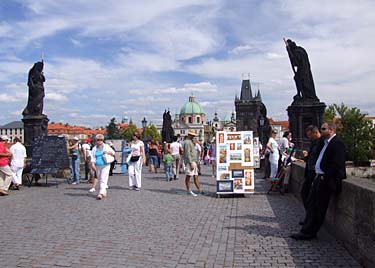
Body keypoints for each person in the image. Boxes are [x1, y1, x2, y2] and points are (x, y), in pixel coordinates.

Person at [291, 122, 346, 240]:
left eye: (323, 129)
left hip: (325, 180)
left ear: (331, 130)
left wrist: (325, 176)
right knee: (312, 204)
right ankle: (307, 229)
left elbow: (337, 164)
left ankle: (309, 232)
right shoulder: (325, 143)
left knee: (319, 207)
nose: (321, 131)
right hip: (319, 178)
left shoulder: (337, 143)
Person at [300, 125, 323, 224]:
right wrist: (306, 156)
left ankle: (310, 219)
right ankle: (308, 217)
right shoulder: (314, 143)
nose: (309, 137)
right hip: (309, 173)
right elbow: (312, 157)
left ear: (315, 132)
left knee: (310, 198)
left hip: (315, 174)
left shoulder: (321, 143)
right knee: (304, 194)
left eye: (310, 135)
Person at [90, 134, 115, 200]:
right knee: (100, 178)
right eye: (98, 140)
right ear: (96, 140)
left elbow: (113, 153)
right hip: (98, 165)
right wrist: (92, 164)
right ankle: (104, 192)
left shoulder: (106, 146)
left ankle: (100, 193)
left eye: (101, 140)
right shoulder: (94, 148)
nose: (99, 141)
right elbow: (92, 157)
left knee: (103, 178)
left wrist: (108, 152)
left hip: (105, 164)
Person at [183, 130, 204, 196]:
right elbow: (187, 153)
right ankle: (188, 190)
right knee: (188, 176)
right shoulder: (187, 142)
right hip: (191, 161)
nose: (194, 136)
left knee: (196, 176)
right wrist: (190, 162)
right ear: (189, 135)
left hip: (194, 161)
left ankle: (199, 189)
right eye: (193, 135)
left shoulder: (191, 142)